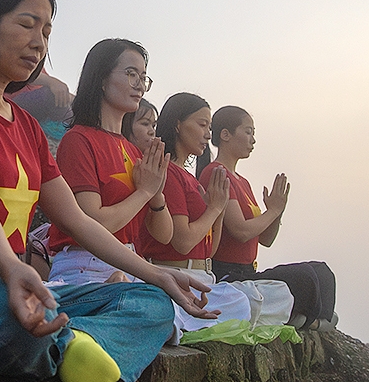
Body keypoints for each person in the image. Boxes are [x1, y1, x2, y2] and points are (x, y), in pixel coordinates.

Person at [0, 0, 216, 382]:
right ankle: (76, 353)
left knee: (149, 303)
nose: (39, 42)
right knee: (21, 322)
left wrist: (156, 274)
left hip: (12, 281)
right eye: (27, 24)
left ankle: (72, 347)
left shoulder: (27, 127)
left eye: (46, 31)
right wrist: (11, 269)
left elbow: (77, 220)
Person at [136, 92, 279, 334]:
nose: (207, 134)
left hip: (204, 275)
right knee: (245, 303)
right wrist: (214, 209)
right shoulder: (168, 172)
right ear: (178, 125)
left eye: (209, 127)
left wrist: (219, 210)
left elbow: (208, 250)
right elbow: (182, 242)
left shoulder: (192, 180)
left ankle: (188, 320)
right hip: (176, 273)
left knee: (259, 298)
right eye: (202, 125)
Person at [46, 38, 172, 285]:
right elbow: (94, 223)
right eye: (131, 74)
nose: (140, 86)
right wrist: (145, 191)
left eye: (143, 77)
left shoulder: (133, 151)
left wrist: (156, 193)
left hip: (129, 263)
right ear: (102, 79)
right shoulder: (78, 140)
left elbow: (164, 235)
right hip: (85, 266)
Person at [200, 106, 337, 329]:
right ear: (225, 135)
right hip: (227, 275)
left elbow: (266, 239)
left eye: (253, 133)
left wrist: (277, 211)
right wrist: (271, 212)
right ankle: (310, 320)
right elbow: (241, 231)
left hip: (249, 271)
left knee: (321, 271)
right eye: (247, 132)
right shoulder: (217, 173)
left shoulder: (242, 181)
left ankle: (312, 318)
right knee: (304, 278)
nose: (253, 140)